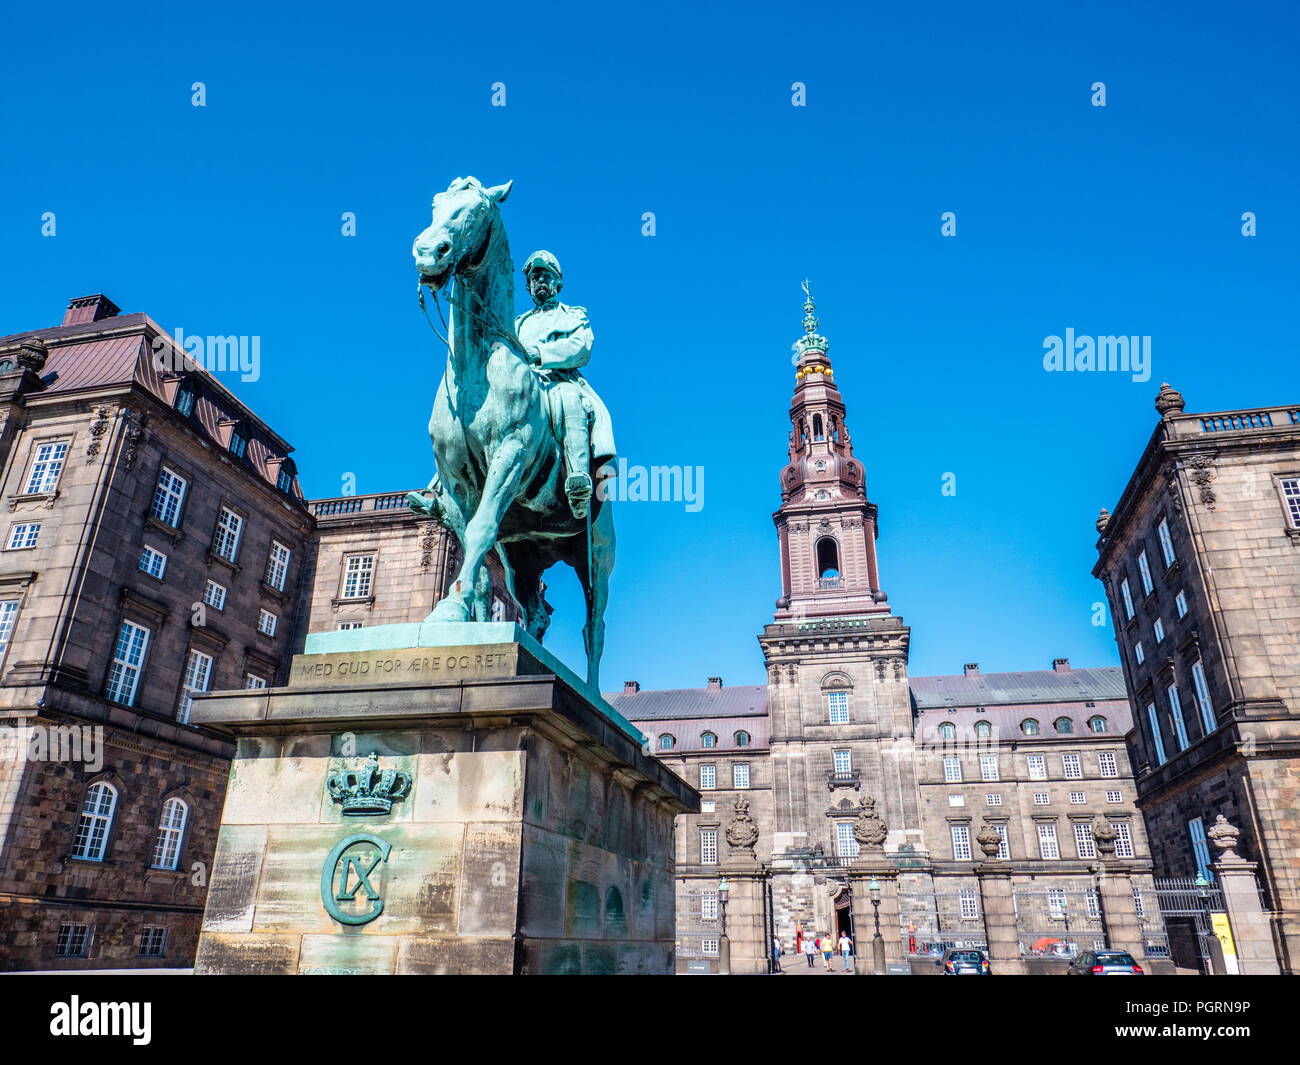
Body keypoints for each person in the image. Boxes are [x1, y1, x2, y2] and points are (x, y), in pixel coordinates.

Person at [514, 251, 616, 520]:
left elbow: (581, 347)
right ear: (528, 286)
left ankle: (578, 481)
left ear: (558, 283)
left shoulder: (573, 315)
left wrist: (540, 353)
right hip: (523, 385)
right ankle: (446, 486)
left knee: (571, 400)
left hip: (559, 382)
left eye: (546, 276)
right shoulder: (518, 323)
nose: (540, 281)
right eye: (534, 277)